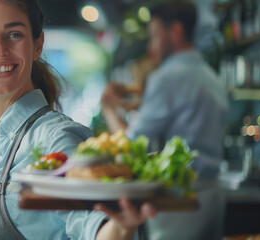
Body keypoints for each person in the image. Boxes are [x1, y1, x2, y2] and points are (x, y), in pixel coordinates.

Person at [0, 0, 156, 239]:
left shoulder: (58, 138)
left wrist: (122, 225)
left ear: (37, 45)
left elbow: (96, 227)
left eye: (14, 34)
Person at [101, 1, 229, 240]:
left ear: (176, 32)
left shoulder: (167, 77)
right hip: (213, 195)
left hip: (178, 202)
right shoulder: (211, 77)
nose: (151, 48)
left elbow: (130, 146)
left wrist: (109, 110)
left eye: (155, 36)